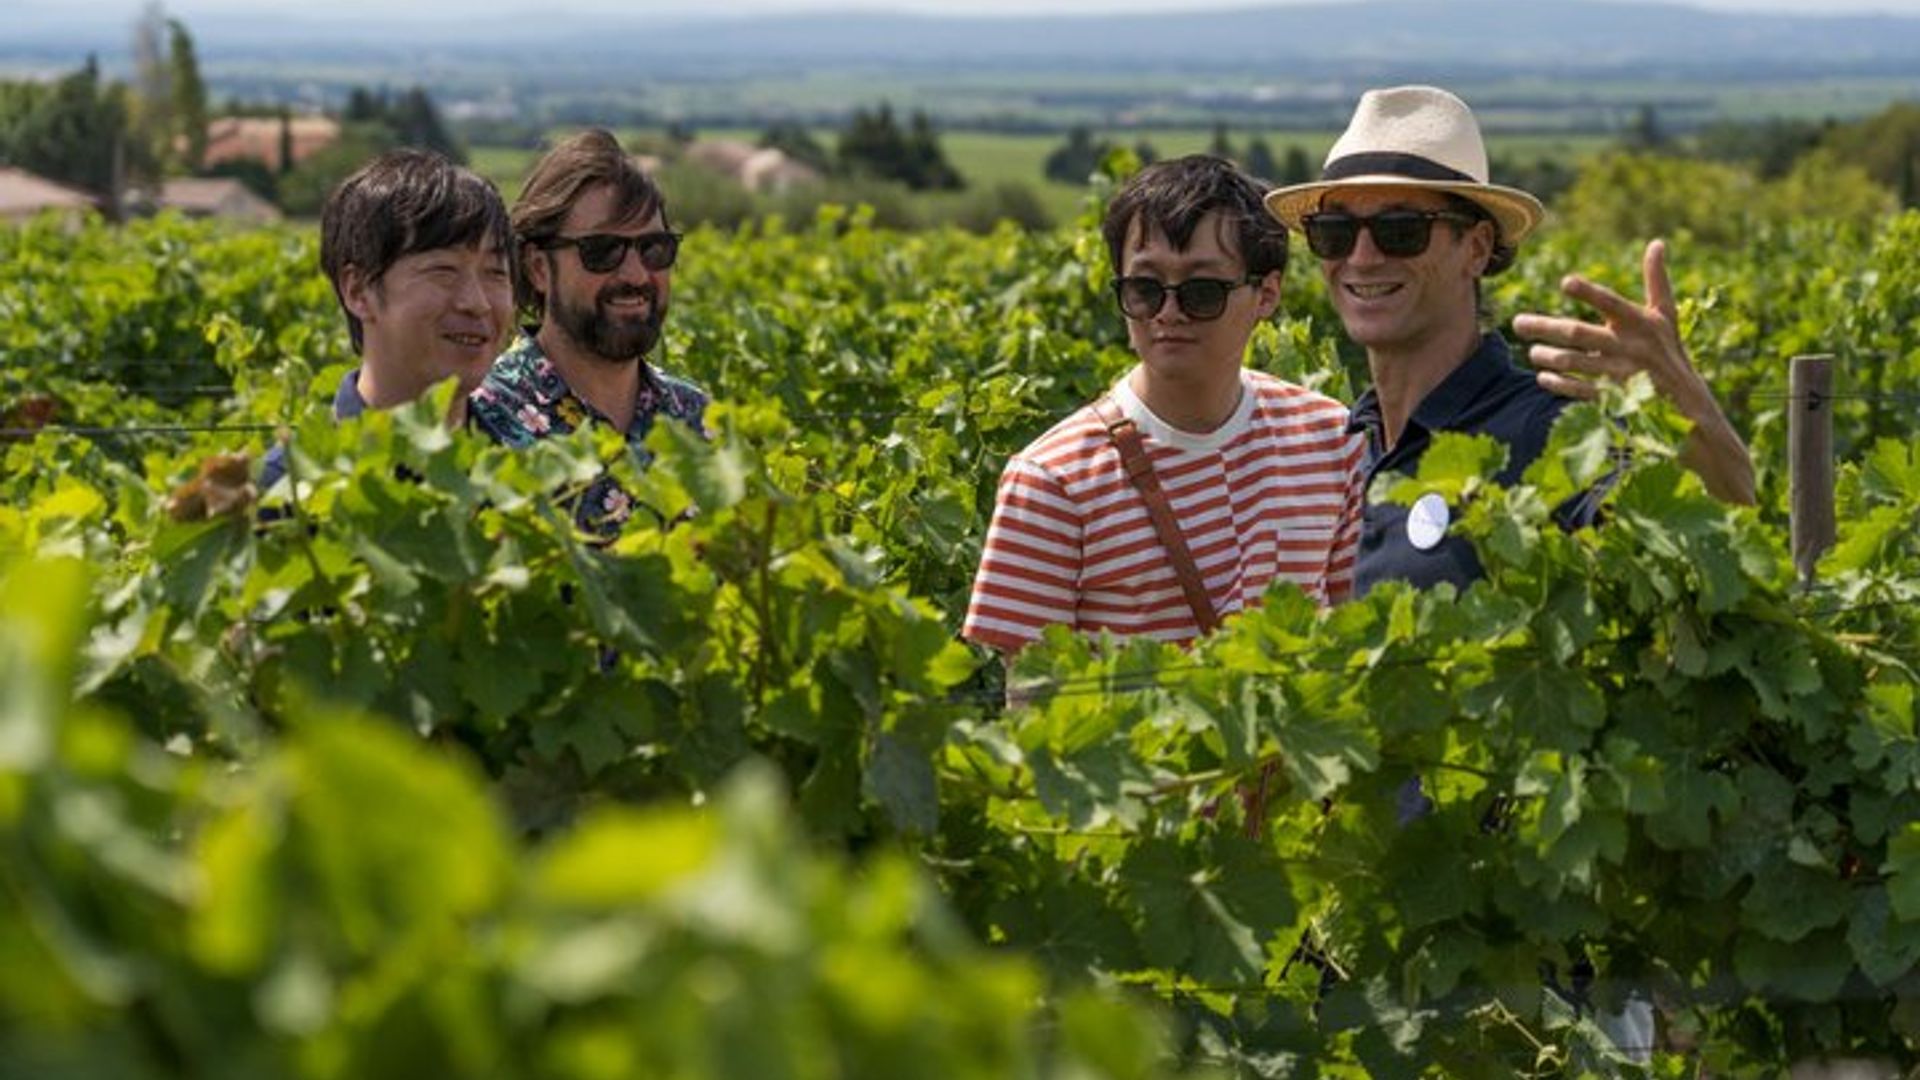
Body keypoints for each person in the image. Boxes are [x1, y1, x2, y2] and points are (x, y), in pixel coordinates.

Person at [1263, 85, 1755, 599]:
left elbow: (1716, 563)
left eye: (1401, 229)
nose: (1361, 257)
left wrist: (1691, 414)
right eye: (1335, 231)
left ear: (1475, 249)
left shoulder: (1549, 430)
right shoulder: (1348, 448)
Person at [962, 155, 1360, 656]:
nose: (1168, 313)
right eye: (1144, 289)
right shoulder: (1050, 481)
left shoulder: (1332, 440)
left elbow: (1353, 645)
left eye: (1201, 291)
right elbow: (1041, 715)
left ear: (1267, 295)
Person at [467, 129, 707, 535]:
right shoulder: (484, 422)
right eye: (602, 251)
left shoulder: (697, 419)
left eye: (654, 249)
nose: (635, 274)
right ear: (538, 268)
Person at [259, 148, 513, 492]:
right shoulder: (287, 495)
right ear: (358, 291)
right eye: (443, 271)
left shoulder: (523, 483)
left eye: (495, 273)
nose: (477, 303)